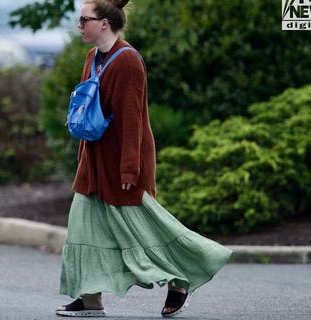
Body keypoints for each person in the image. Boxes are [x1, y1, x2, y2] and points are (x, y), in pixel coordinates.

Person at [55, 0, 232, 317]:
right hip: (94, 161)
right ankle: (89, 298)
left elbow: (132, 121)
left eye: (84, 20)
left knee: (146, 227)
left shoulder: (128, 62)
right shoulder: (92, 57)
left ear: (105, 23)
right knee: (81, 226)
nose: (79, 26)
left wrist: (129, 170)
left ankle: (182, 277)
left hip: (122, 164)